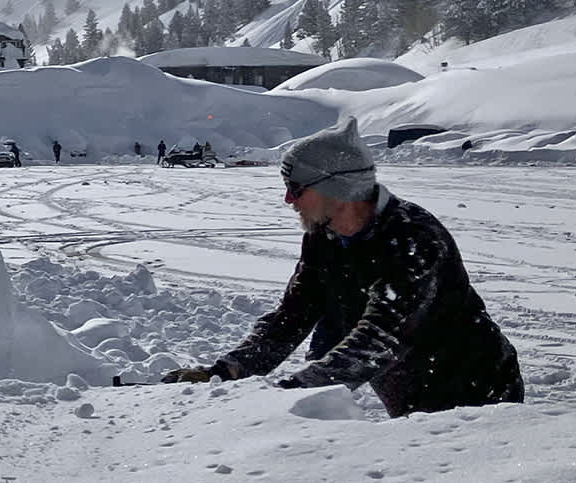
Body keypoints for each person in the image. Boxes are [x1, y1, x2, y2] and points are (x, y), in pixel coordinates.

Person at [163, 117, 523, 417]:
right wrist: (226, 372)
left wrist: (289, 394)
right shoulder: (325, 237)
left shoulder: (412, 239)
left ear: (336, 187)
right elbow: (291, 317)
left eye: (296, 187)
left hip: (480, 398)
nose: (288, 199)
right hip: (413, 402)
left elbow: (378, 340)